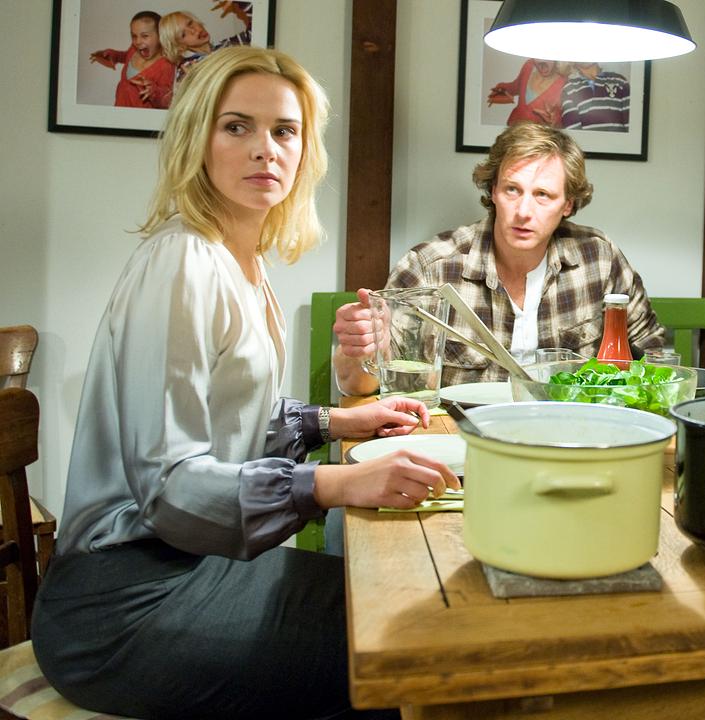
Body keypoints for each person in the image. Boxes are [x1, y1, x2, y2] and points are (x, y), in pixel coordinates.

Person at [30, 47, 458, 719]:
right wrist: (338, 482)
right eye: (237, 127)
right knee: (415, 642)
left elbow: (225, 423)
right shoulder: (183, 261)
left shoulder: (242, 262)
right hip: (121, 609)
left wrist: (333, 423)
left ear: (304, 149)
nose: (265, 149)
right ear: (197, 139)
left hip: (195, 567)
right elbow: (171, 485)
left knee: (407, 602)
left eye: (284, 131)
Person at [332, 121, 665, 394]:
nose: (523, 211)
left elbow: (656, 356)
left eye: (543, 195)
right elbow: (360, 386)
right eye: (512, 190)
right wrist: (358, 349)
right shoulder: (430, 267)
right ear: (492, 191)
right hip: (458, 447)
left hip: (570, 442)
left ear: (567, 204)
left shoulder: (599, 259)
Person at [88, 10, 175, 109]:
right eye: (134, 36)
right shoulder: (134, 49)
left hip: (139, 119)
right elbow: (126, 57)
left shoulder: (166, 65)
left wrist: (154, 92)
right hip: (119, 107)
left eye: (145, 36)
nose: (137, 41)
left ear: (161, 35)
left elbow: (167, 100)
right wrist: (112, 55)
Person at [160, 1, 252, 85]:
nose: (193, 30)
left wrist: (241, 2)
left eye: (190, 23)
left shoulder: (228, 45)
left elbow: (258, 29)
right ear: (180, 47)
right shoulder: (189, 69)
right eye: (183, 34)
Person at [487, 58, 568, 127]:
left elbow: (564, 118)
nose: (542, 59)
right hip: (513, 128)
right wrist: (501, 89)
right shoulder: (529, 65)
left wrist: (555, 121)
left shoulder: (565, 82)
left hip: (536, 139)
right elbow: (516, 86)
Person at [560, 62, 630, 132]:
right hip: (587, 142)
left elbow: (631, 123)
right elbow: (573, 130)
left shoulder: (619, 81)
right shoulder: (570, 87)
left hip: (620, 141)